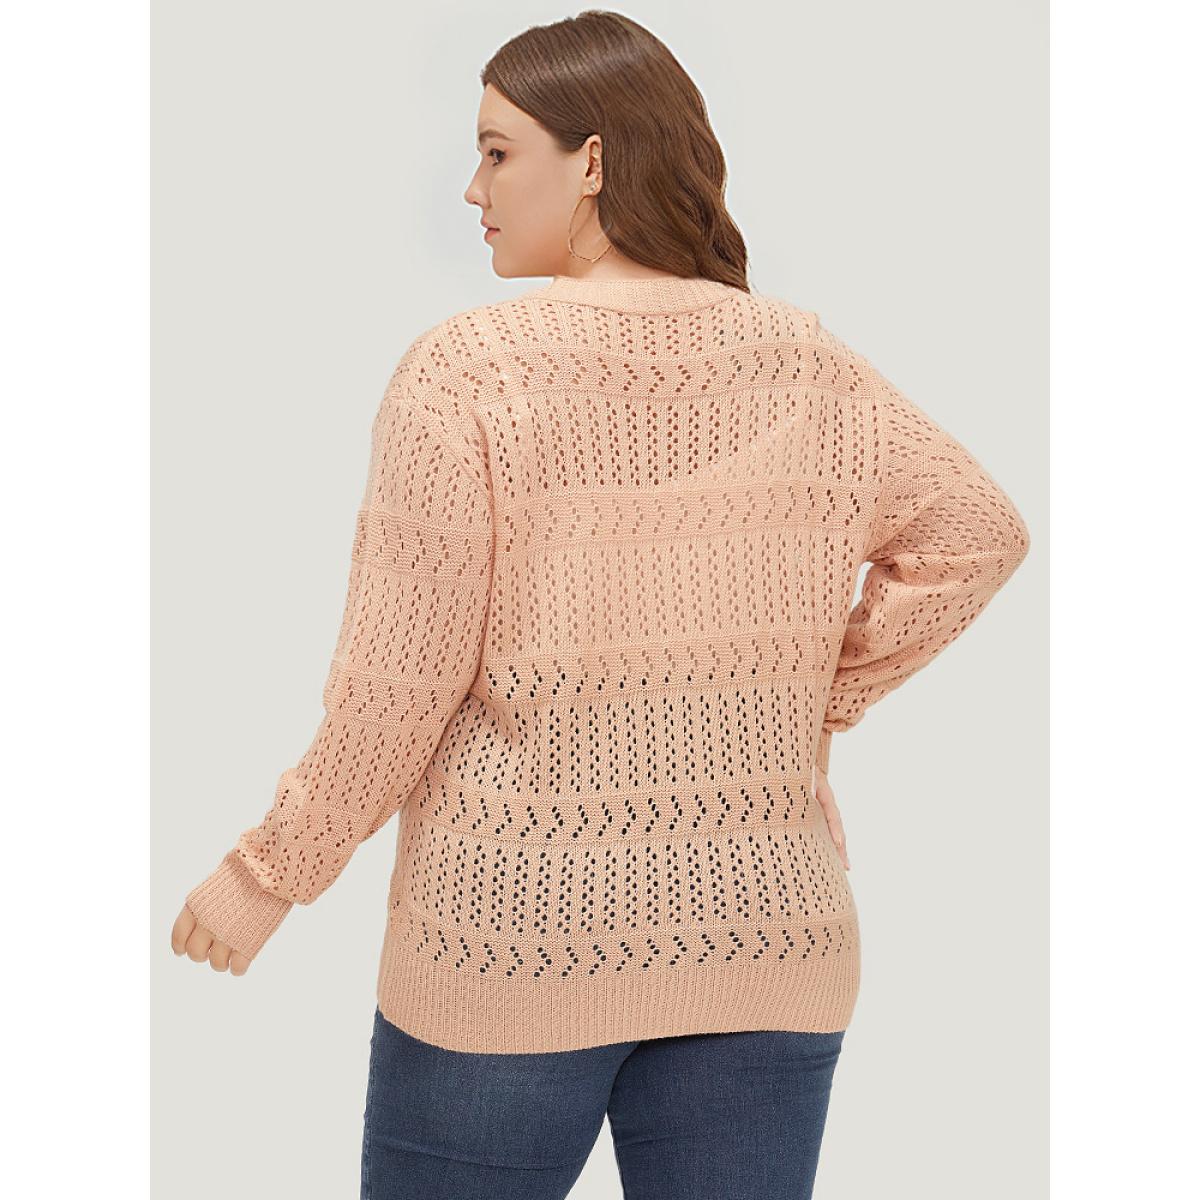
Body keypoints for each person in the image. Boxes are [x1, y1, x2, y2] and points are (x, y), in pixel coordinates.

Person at [172, 11, 1030, 1199]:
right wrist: (798, 706)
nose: (471, 189)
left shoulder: (467, 375)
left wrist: (267, 874)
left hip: (510, 940)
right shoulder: (806, 362)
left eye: (496, 152)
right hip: (766, 931)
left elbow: (396, 692)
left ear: (592, 162)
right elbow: (977, 536)